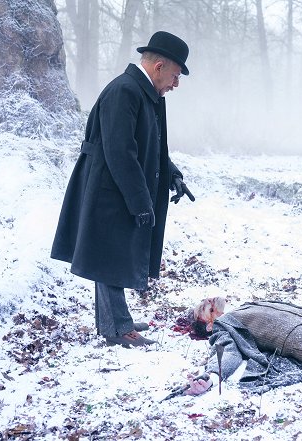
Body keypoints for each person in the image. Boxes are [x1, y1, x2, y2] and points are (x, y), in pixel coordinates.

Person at [51, 31, 194, 348]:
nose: (175, 84)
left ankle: (115, 323)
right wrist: (142, 203)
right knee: (109, 254)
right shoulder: (125, 92)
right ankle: (117, 328)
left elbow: (154, 146)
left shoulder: (149, 96)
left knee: (109, 253)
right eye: (175, 75)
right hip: (107, 185)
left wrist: (172, 174)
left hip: (117, 183)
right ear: (158, 66)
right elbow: (120, 153)